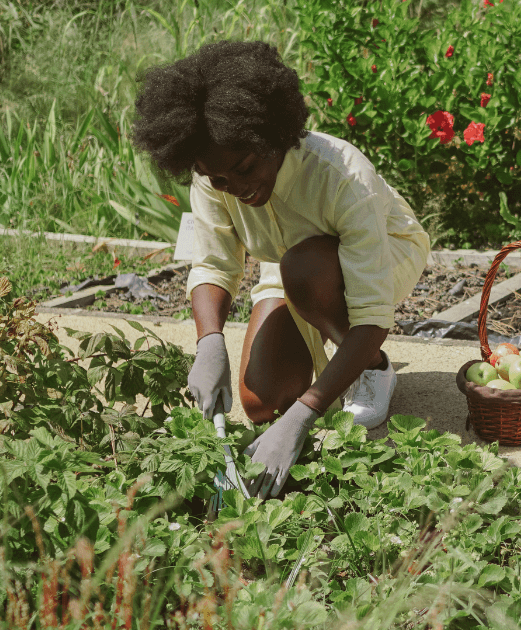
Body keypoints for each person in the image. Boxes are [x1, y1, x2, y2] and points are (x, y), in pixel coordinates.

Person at [132, 41, 430, 499]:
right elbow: (213, 263)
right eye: (221, 180)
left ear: (272, 136)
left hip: (383, 253)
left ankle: (373, 369)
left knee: (306, 270)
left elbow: (372, 315)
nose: (237, 188)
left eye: (246, 168)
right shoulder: (216, 174)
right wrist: (210, 343)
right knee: (260, 401)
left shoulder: (343, 176)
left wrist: (305, 415)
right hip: (290, 264)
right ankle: (326, 350)